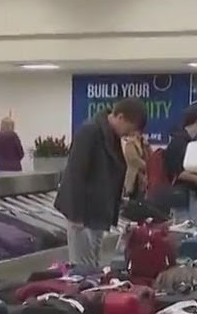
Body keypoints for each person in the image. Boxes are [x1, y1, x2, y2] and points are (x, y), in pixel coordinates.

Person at [55, 98, 147, 269]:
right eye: (129, 128)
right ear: (120, 117)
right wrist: (75, 215)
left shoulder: (109, 136)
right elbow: (75, 172)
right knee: (83, 268)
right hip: (83, 215)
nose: (128, 134)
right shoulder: (90, 131)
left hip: (96, 214)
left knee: (92, 266)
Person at [162, 105, 197, 223]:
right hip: (182, 194)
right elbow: (178, 172)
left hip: (190, 193)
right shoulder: (179, 142)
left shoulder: (188, 141)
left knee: (190, 226)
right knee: (184, 227)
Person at [122, 133, 150, 200]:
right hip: (134, 177)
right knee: (135, 199)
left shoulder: (145, 143)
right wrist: (148, 166)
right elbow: (134, 160)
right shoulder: (130, 144)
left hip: (145, 176)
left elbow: (150, 156)